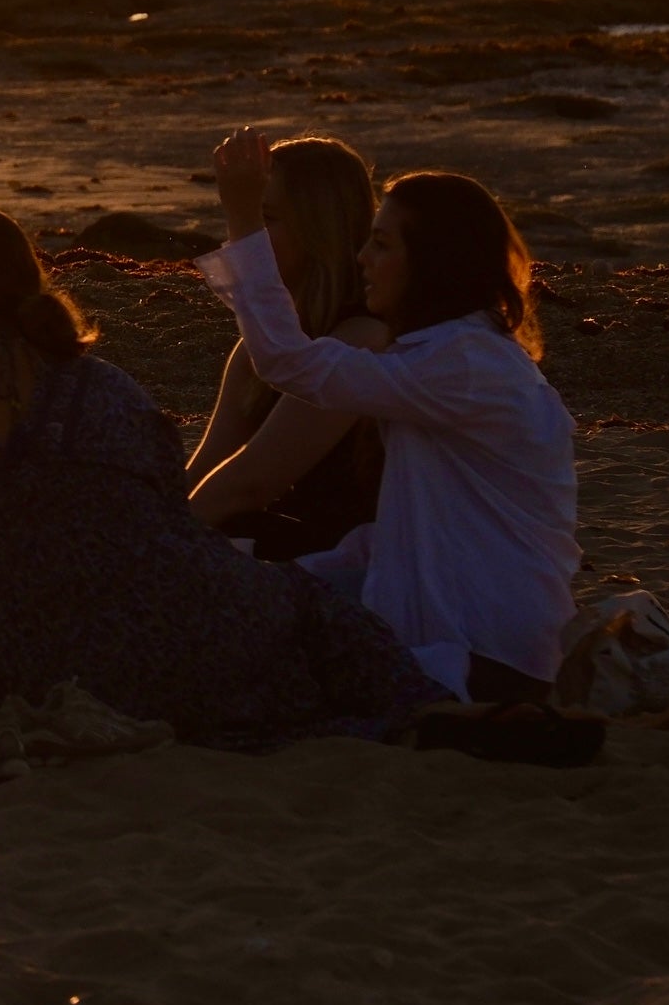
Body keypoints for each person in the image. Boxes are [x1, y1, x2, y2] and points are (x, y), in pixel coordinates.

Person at [0, 203, 449, 748]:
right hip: (182, 640)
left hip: (11, 666)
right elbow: (175, 526)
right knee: (315, 617)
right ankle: (451, 714)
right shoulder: (104, 386)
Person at [196, 126, 580, 704]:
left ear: (429, 262)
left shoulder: (465, 366)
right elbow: (388, 542)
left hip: (487, 655)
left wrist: (241, 213)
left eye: (381, 245)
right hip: (453, 633)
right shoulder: (437, 358)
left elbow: (287, 363)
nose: (362, 258)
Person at [185, 136, 389, 559]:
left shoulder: (364, 340)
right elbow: (206, 474)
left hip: (355, 566)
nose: (249, 238)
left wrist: (149, 539)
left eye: (267, 218)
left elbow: (255, 480)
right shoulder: (256, 351)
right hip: (284, 548)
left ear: (321, 228)